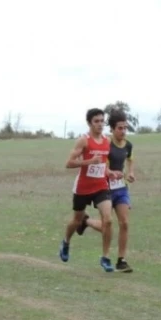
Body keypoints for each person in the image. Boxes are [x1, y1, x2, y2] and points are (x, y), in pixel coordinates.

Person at [59, 108, 118, 272]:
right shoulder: (83, 141)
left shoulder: (107, 141)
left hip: (100, 185)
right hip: (83, 187)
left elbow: (103, 164)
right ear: (89, 123)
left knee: (108, 220)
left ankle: (105, 257)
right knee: (76, 220)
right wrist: (89, 161)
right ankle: (66, 242)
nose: (100, 124)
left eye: (102, 121)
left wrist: (109, 172)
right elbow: (69, 163)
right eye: (96, 121)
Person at [76, 110, 135, 272]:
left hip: (121, 188)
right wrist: (109, 172)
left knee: (125, 223)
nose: (123, 131)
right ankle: (86, 222)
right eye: (120, 128)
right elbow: (102, 164)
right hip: (104, 187)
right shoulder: (106, 144)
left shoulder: (128, 145)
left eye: (125, 128)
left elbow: (130, 159)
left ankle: (121, 260)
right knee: (107, 225)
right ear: (112, 129)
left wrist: (130, 173)